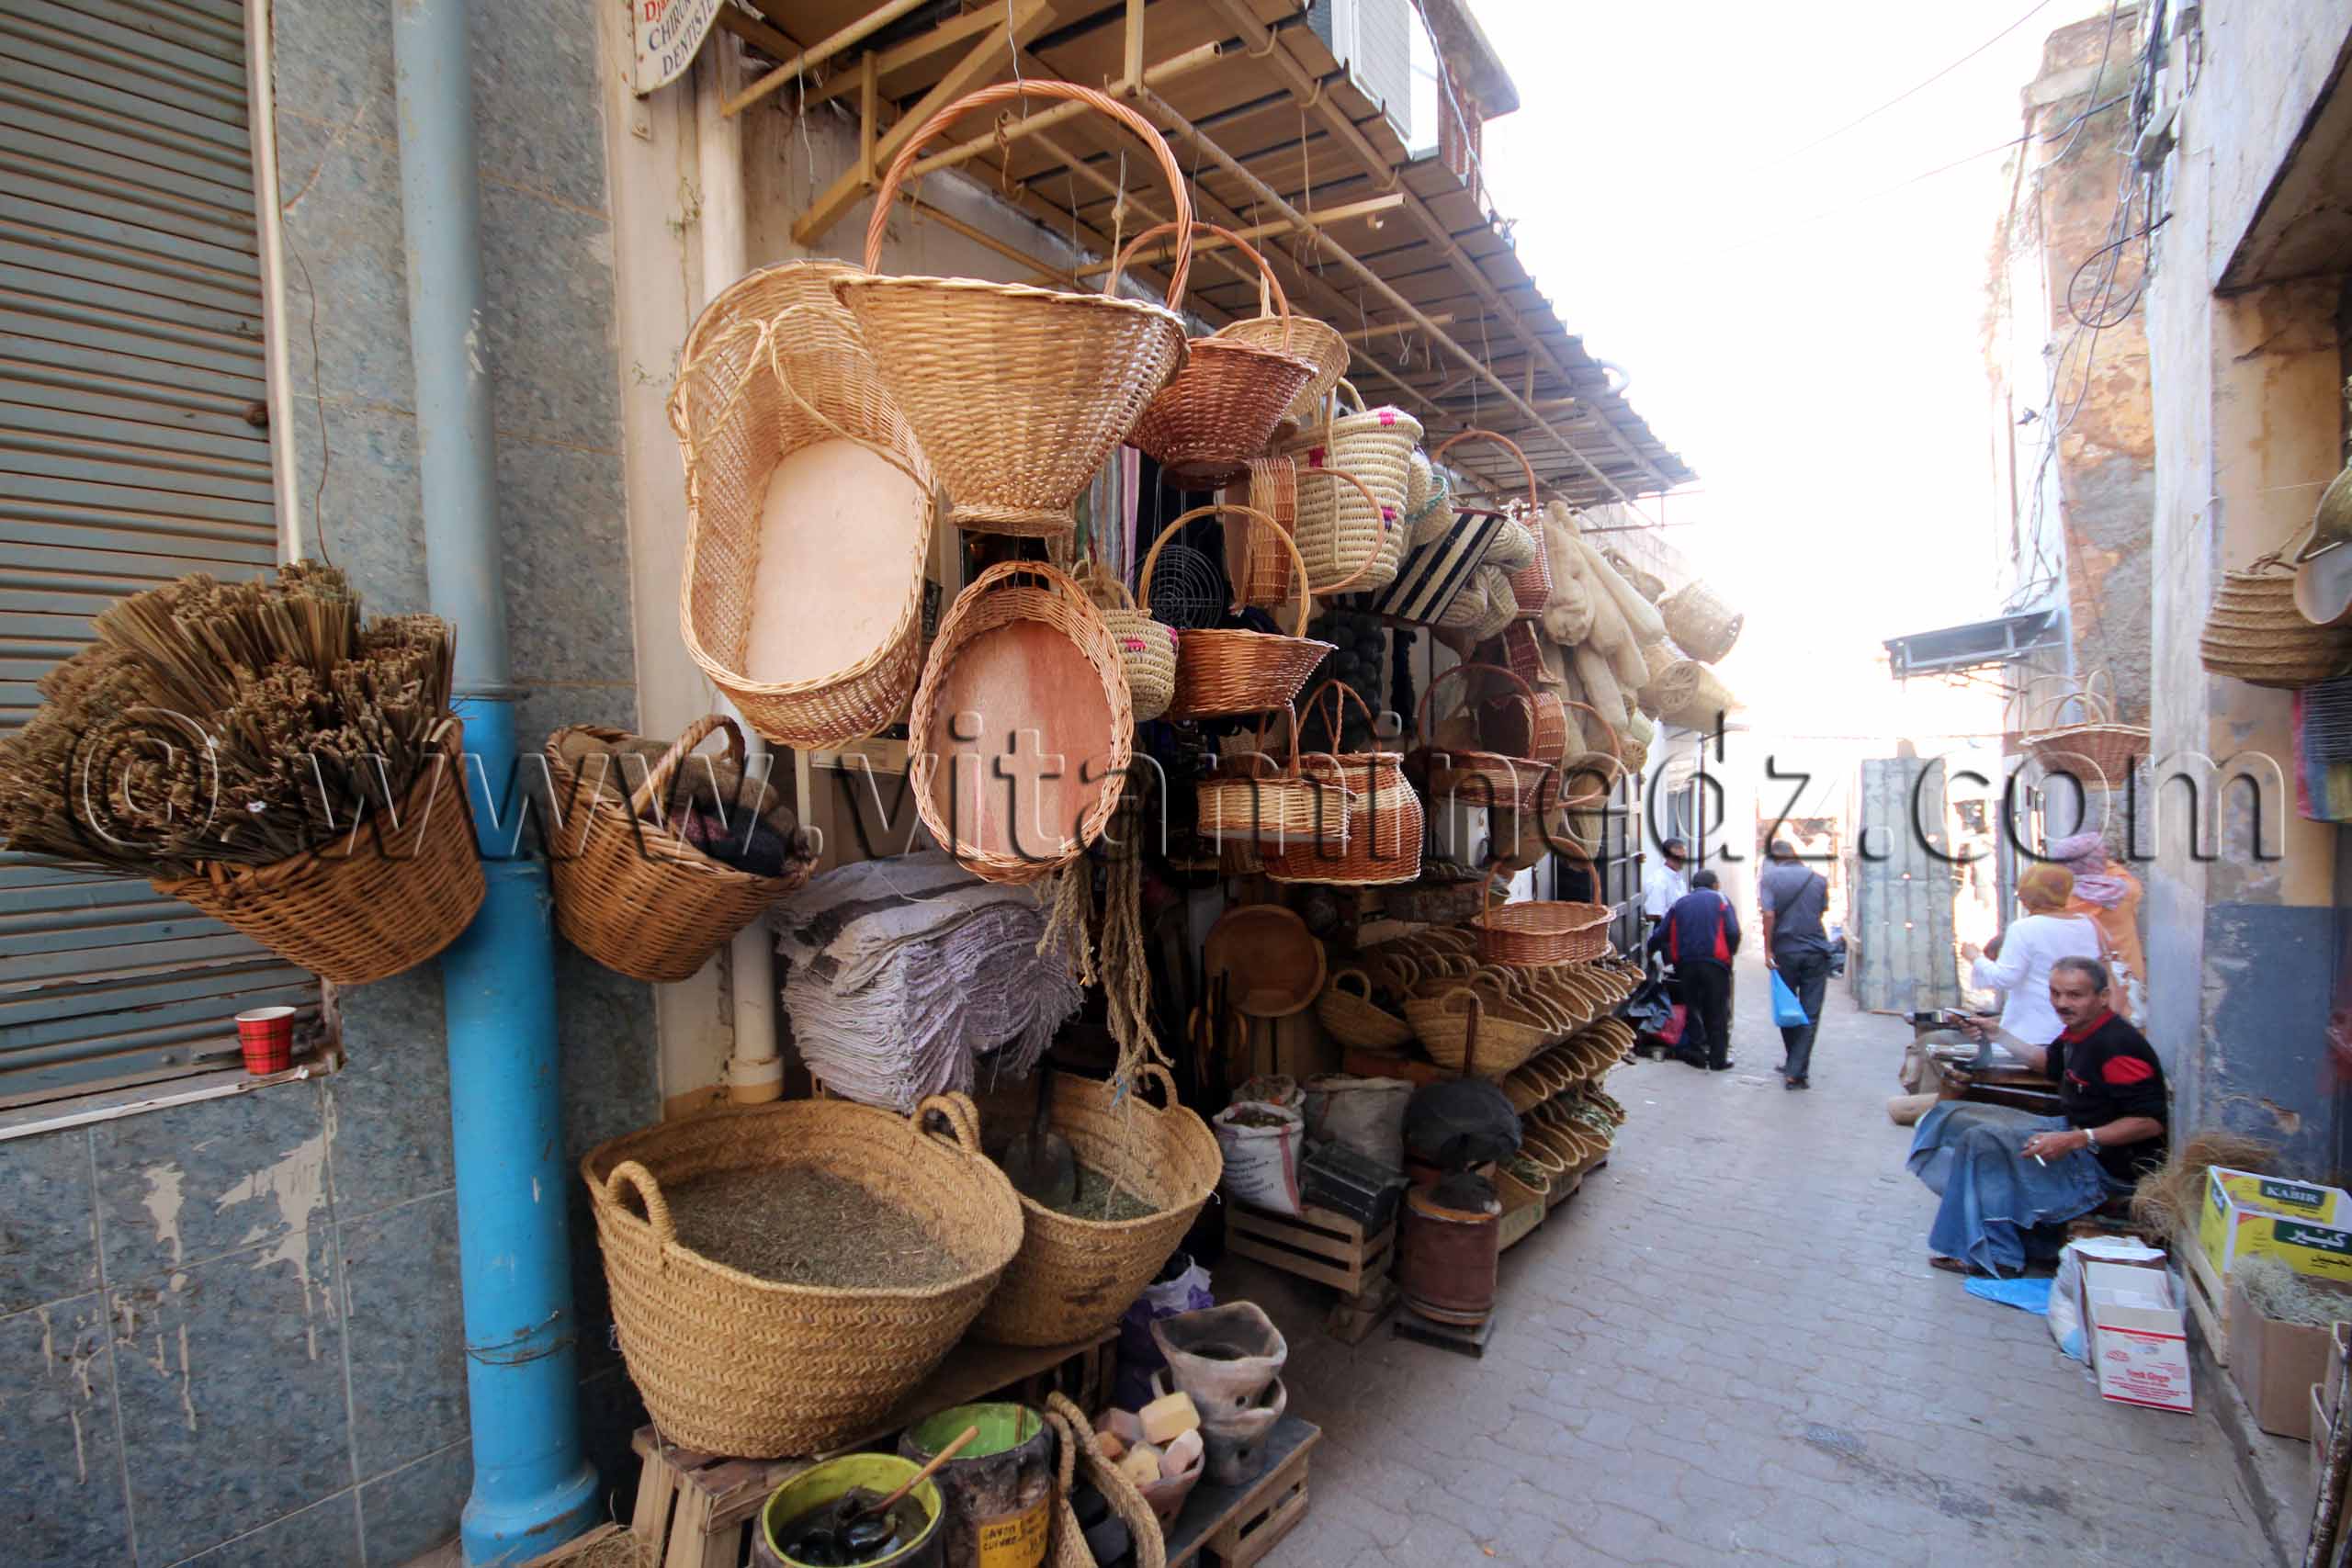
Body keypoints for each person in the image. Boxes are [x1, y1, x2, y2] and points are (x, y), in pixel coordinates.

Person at [1905, 956, 2168, 1276]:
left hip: (2105, 1167)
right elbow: (2048, 1063)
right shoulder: (2079, 1031)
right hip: (2074, 1135)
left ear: (2102, 997)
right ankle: (1976, 1228)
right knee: (1950, 1118)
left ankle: (2000, 1255)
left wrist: (2077, 1139)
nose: (2062, 1003)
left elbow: (2149, 1122)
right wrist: (1997, 1034)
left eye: (2074, 995)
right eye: (2056, 993)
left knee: (1983, 1142)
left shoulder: (2116, 1046)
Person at [1959, 863, 2101, 1049]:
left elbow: (2004, 978)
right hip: (2078, 1029)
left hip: (2032, 1032)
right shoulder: (2087, 925)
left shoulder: (2024, 928)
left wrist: (1975, 957)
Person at [1758, 839, 1832, 1090]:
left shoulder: (1769, 879)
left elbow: (1768, 914)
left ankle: (1794, 1068)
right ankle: (1796, 1068)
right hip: (1815, 951)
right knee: (1810, 1013)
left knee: (1788, 1009)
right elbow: (1821, 911)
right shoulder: (1818, 879)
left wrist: (1768, 950)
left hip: (1785, 952)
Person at [2050, 830, 2147, 1022]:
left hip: (2080, 978)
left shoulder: (2063, 899)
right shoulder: (2125, 890)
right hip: (2125, 972)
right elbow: (2111, 870)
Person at [1655, 869, 1740, 1071]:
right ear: (1715, 885)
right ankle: (1718, 1059)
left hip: (1686, 965)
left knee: (1693, 1009)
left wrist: (1653, 950)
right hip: (1716, 964)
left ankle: (1697, 1055)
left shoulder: (1679, 903)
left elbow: (1661, 933)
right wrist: (1729, 956)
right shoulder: (1722, 900)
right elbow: (1733, 931)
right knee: (1717, 1010)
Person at [1642, 837, 1690, 929]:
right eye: (1677, 858)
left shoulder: (1678, 879)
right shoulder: (1659, 880)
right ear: (1667, 857)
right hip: (1667, 928)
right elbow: (1653, 914)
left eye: (1683, 857)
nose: (1681, 861)